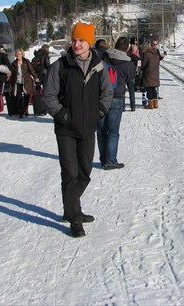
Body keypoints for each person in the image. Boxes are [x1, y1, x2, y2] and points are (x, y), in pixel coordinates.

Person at [43, 22, 113, 238]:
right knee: (70, 174)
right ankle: (75, 218)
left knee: (84, 173)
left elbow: (107, 92)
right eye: (74, 40)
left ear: (89, 42)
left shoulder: (99, 66)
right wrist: (62, 115)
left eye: (81, 40)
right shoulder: (60, 66)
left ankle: (70, 207)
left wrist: (99, 112)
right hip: (66, 129)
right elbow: (49, 95)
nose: (77, 44)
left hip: (88, 127)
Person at [97, 37, 136, 170]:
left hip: (101, 97)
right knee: (113, 131)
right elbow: (131, 78)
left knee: (101, 130)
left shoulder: (104, 58)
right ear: (127, 48)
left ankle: (103, 159)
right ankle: (111, 161)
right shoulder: (128, 63)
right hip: (117, 97)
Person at [10, 48, 39, 118]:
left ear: (22, 54)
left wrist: (35, 77)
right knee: (19, 98)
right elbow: (12, 74)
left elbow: (31, 70)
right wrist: (11, 83)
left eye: (19, 54)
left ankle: (25, 108)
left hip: (26, 82)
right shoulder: (14, 63)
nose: (18, 55)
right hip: (18, 82)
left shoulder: (26, 61)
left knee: (27, 96)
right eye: (17, 54)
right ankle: (21, 112)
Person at [141, 37, 163, 109]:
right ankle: (155, 104)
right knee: (154, 89)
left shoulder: (147, 54)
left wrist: (141, 68)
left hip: (148, 74)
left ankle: (150, 105)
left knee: (149, 89)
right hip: (155, 73)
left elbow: (143, 64)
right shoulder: (157, 53)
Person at [126, 42, 140, 111]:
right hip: (131, 74)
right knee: (131, 91)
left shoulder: (126, 54)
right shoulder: (133, 56)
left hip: (125, 73)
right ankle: (133, 106)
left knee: (124, 91)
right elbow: (139, 61)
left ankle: (123, 107)